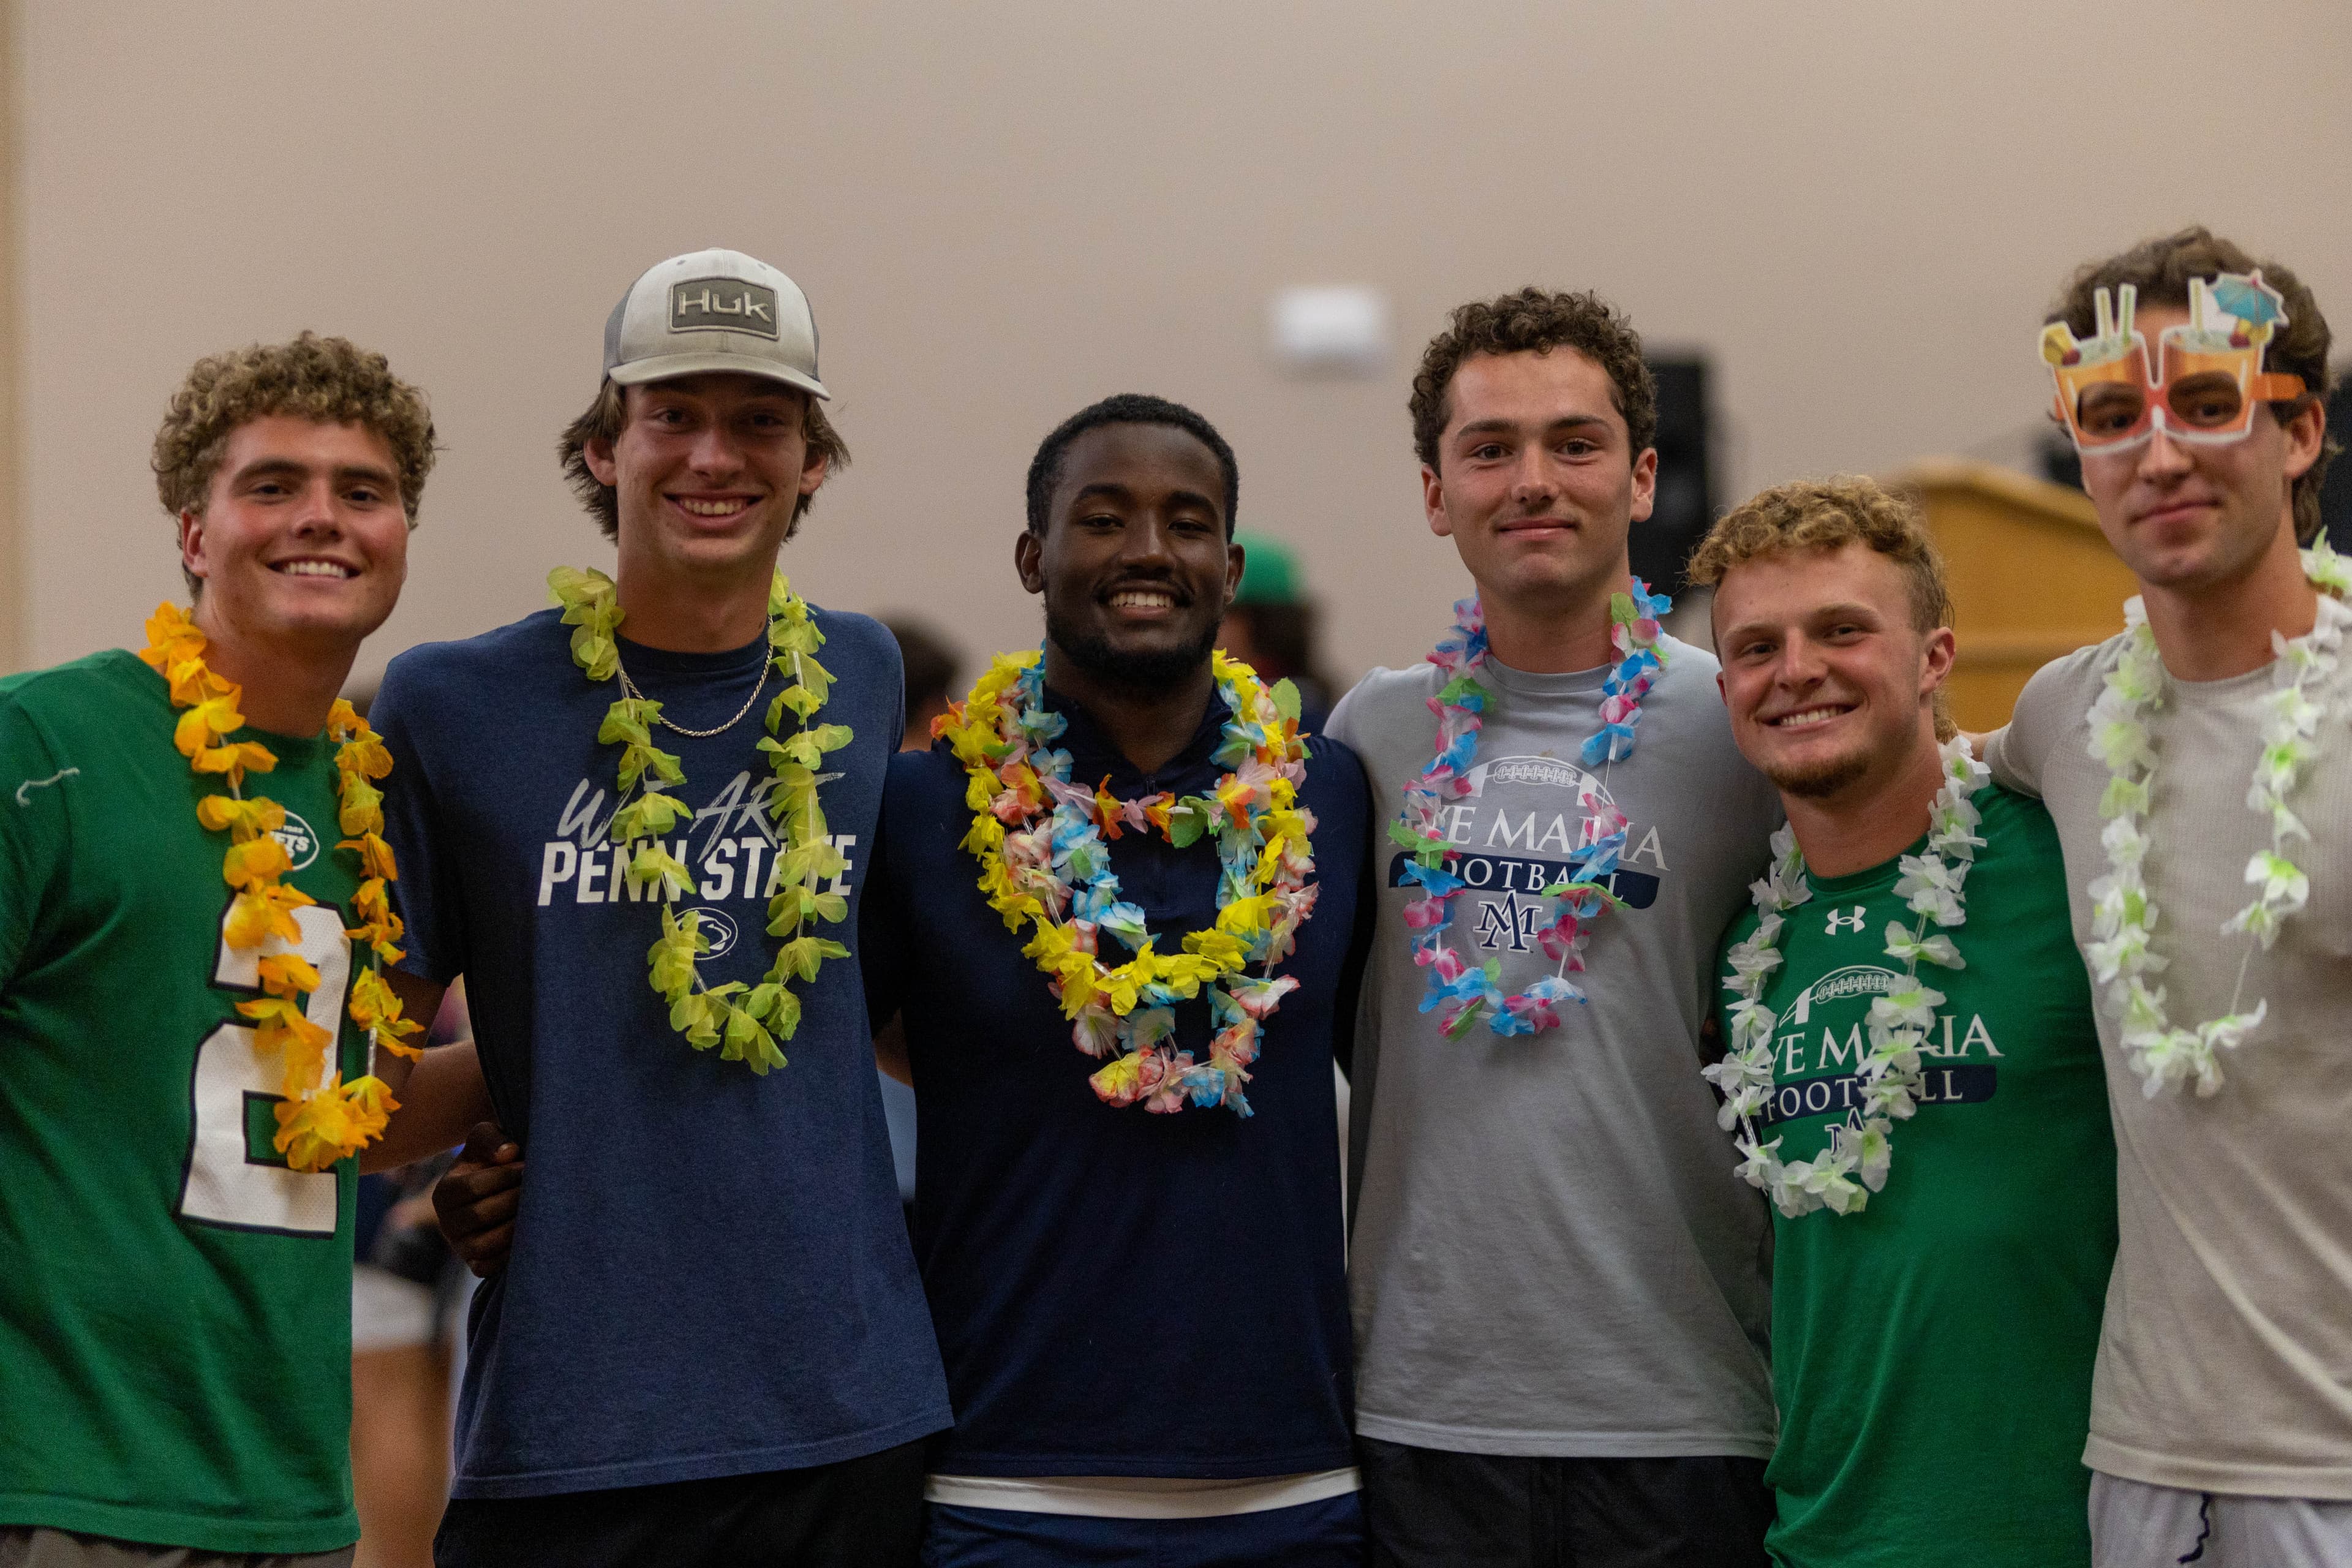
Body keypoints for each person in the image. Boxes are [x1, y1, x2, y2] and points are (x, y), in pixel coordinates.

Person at [375, 248, 949, 1567]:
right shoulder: (454, 705)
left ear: (815, 462)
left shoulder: (859, 677)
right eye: (672, 414)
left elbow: (893, 1013)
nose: (714, 455)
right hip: (572, 1428)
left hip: (846, 1411)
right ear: (599, 447)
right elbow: (366, 1103)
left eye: (761, 421)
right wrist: (528, 1088)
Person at [865, 394, 1374, 1564]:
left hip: (1296, 1488)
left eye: (1186, 522)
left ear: (1229, 566)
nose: (1149, 549)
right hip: (1005, 1488)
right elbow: (840, 1073)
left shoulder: (1333, 798)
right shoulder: (923, 811)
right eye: (1104, 518)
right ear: (1034, 557)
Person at [1326, 288, 1783, 1567]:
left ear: (1642, 477)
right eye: (1490, 448)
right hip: (1422, 1401)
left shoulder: (1744, 722)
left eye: (1575, 444)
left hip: (1684, 1401)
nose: (1534, 480)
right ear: (1435, 491)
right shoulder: (1372, 736)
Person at [0, 334, 473, 1565]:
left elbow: (330, 1116)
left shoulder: (379, 804)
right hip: (61, 1483)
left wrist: (575, 1037)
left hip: (287, 1490)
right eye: (274, 484)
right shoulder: (44, 747)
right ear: (194, 533)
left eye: (361, 491)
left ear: (402, 537)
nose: (322, 518)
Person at [1985, 227, 2350, 1566]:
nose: (2160, 453)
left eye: (2209, 403)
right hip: (2141, 1463)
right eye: (2112, 414)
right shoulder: (2063, 716)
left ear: (2300, 431)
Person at [1689, 475, 2116, 1566]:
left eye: (1842, 630)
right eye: (1756, 647)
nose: (1797, 672)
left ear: (1936, 658)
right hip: (1823, 1540)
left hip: (2069, 1535)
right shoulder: (1746, 942)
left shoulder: (2065, 860)